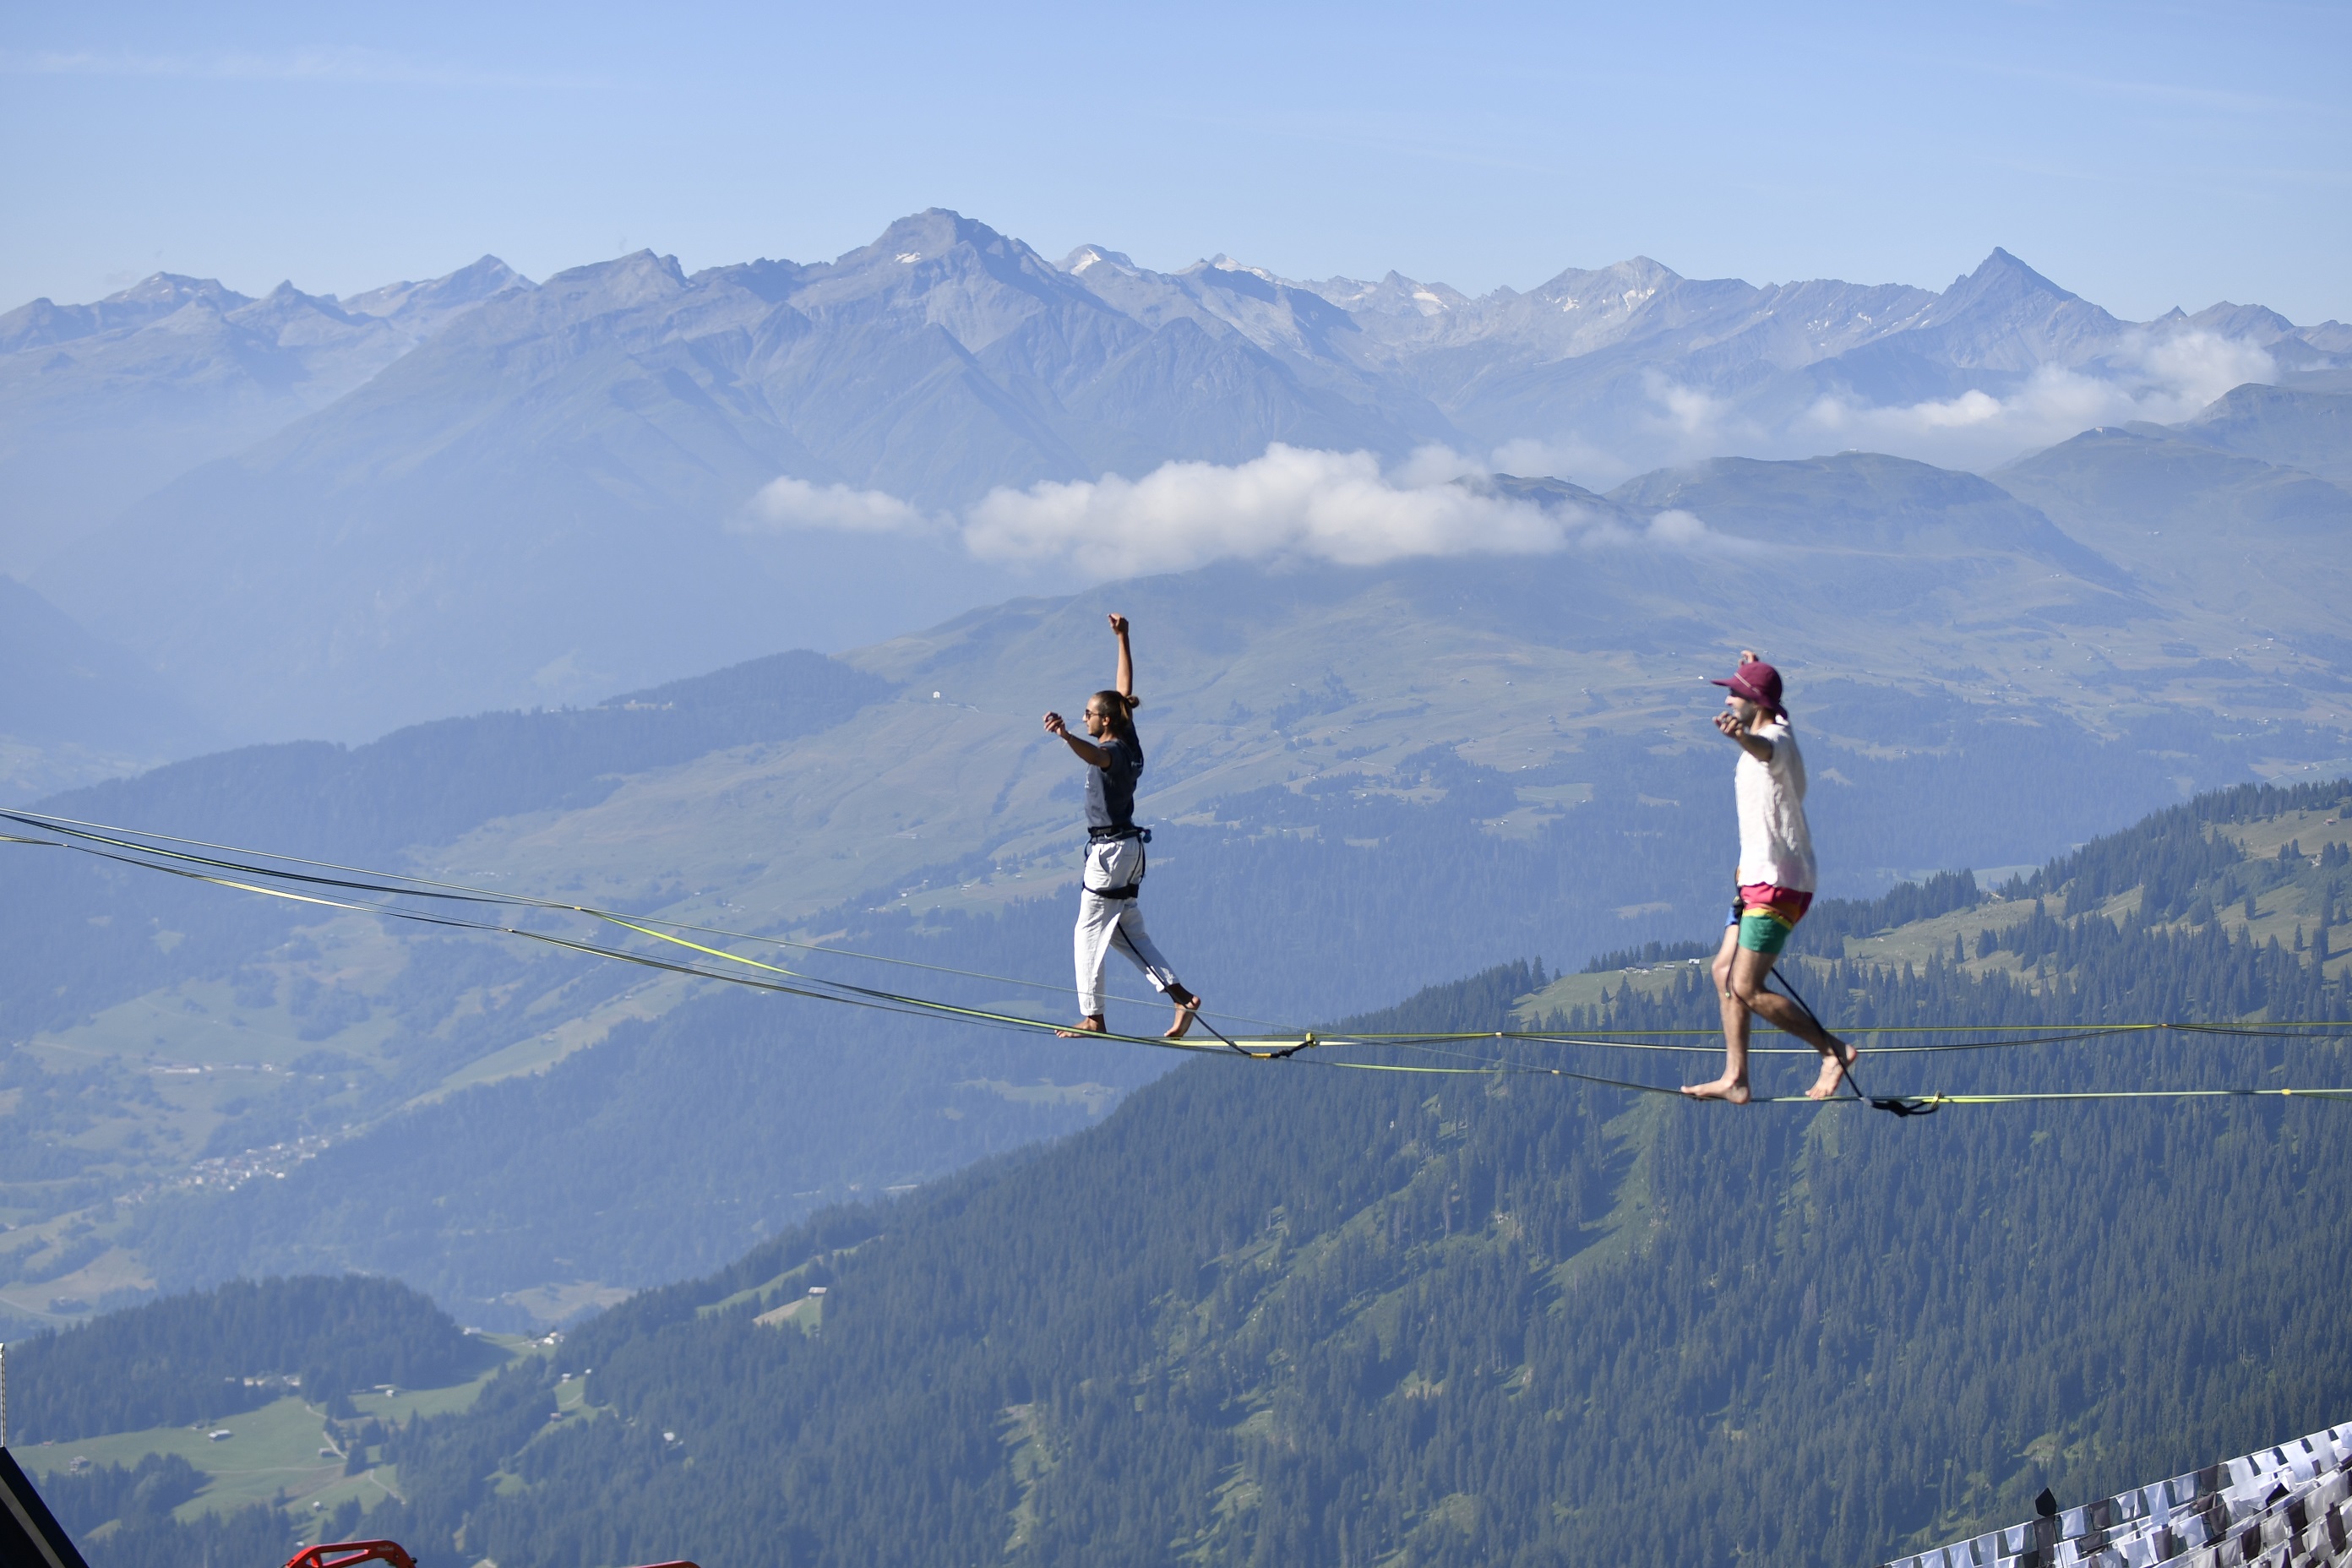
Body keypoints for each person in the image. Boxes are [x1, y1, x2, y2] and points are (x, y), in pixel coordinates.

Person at [1681, 651, 1856, 1103]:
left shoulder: (1773, 740)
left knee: (1746, 986)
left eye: (1735, 693)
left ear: (1753, 704)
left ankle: (1832, 1051)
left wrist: (1741, 738)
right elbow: (1766, 717)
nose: (1728, 700)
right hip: (1757, 881)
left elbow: (1766, 752)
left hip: (1779, 885)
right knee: (1723, 971)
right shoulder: (1774, 721)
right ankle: (1736, 1078)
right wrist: (1752, 666)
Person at [1042, 612, 1204, 1039]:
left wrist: (1063, 737)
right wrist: (1123, 638)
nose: (1085, 719)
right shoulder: (1128, 736)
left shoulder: (1110, 749)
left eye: (1089, 715)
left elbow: (1094, 756)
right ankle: (1181, 997)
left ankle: (1093, 1017)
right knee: (1126, 933)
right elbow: (1124, 692)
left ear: (1106, 721)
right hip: (1131, 851)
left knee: (1088, 931)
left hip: (1110, 853)